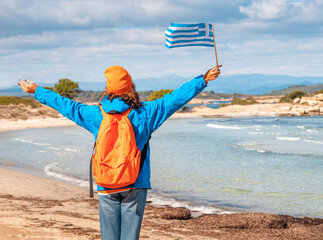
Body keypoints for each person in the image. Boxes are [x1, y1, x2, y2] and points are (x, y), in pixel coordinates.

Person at [18, 65, 222, 240]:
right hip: (135, 183)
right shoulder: (147, 113)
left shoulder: (95, 114)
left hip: (106, 184)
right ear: (130, 87)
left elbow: (66, 105)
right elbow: (174, 99)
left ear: (108, 90)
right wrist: (203, 79)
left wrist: (37, 91)